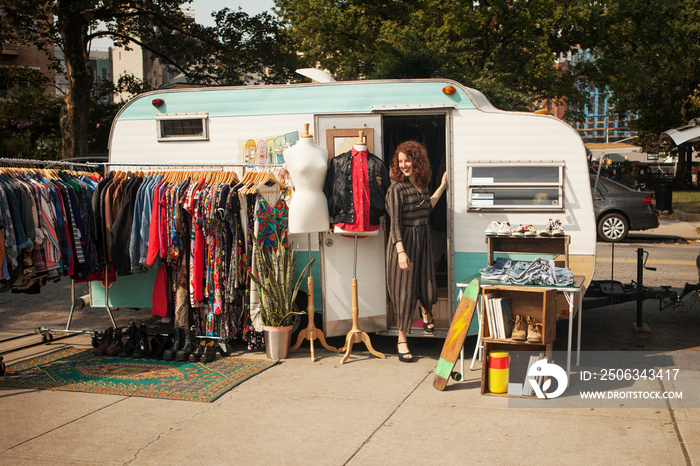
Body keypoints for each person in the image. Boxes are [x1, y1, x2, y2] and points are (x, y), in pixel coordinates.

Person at [385, 140, 447, 362]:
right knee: (404, 293)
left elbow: (427, 207)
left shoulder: (422, 185)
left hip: (423, 240)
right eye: (400, 161)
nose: (404, 165)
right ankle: (402, 340)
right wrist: (401, 252)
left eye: (408, 160)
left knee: (428, 287)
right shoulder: (396, 189)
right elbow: (394, 226)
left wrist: (442, 186)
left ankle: (425, 311)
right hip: (404, 244)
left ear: (417, 161)